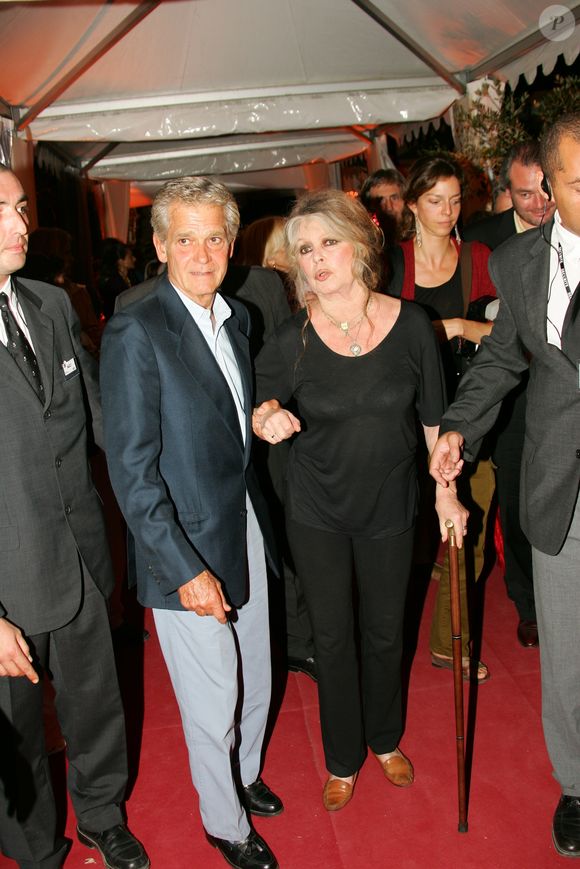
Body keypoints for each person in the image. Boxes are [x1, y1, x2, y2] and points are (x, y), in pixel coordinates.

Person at [100, 177, 281, 869]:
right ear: (158, 245)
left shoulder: (236, 317)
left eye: (214, 237)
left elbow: (223, 418)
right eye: (185, 238)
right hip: (183, 544)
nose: (201, 253)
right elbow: (132, 473)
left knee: (257, 673)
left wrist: (257, 420)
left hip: (244, 522)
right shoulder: (135, 332)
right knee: (214, 698)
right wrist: (184, 571)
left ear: (232, 244)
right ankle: (223, 820)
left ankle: (247, 772)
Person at [253, 189, 449, 812]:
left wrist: (447, 493)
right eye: (303, 250)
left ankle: (384, 738)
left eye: (327, 243)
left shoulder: (414, 325)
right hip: (317, 512)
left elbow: (434, 422)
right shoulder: (292, 340)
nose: (315, 260)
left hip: (392, 505)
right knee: (333, 637)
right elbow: (258, 404)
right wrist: (270, 418)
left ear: (362, 245)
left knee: (387, 632)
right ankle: (342, 757)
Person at [429, 112, 580, 859]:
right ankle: (578, 784)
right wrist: (458, 426)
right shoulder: (519, 264)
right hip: (559, 481)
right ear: (549, 186)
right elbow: (501, 363)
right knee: (568, 652)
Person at [0, 165, 149, 869]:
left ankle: (102, 814)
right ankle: (34, 851)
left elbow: (101, 420)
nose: (20, 224)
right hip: (7, 583)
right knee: (15, 733)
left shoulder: (52, 305)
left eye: (22, 207)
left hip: (82, 553)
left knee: (97, 702)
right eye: (1, 211)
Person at [388, 154, 496, 684]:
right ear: (412, 204)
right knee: (407, 534)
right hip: (405, 418)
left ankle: (449, 643)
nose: (448, 211)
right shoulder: (395, 263)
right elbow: (386, 340)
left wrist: (459, 330)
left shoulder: (478, 256)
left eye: (455, 200)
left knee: (467, 532)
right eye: (435, 200)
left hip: (469, 408)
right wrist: (453, 324)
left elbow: (501, 335)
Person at [464, 140, 556, 649]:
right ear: (506, 192)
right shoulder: (483, 244)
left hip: (566, 397)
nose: (540, 204)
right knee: (521, 505)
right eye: (525, 195)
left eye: (546, 190)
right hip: (513, 399)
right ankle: (529, 602)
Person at [360, 167, 406, 244]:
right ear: (370, 206)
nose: (389, 207)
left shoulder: (422, 237)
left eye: (394, 198)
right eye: (380, 201)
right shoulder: (369, 245)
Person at [98, 237, 136, 319]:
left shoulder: (131, 277)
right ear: (121, 261)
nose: (134, 259)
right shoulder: (113, 284)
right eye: (130, 257)